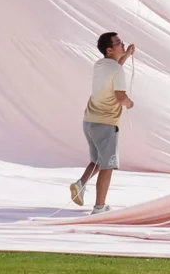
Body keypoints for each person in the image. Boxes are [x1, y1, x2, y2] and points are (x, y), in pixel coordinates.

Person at [69, 31, 135, 214]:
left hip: (90, 122)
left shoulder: (100, 65)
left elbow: (114, 70)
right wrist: (130, 104)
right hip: (106, 124)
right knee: (107, 165)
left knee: (97, 160)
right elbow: (121, 97)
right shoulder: (116, 69)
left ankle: (80, 184)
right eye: (118, 43)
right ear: (109, 49)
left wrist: (126, 55)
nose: (122, 44)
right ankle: (99, 207)